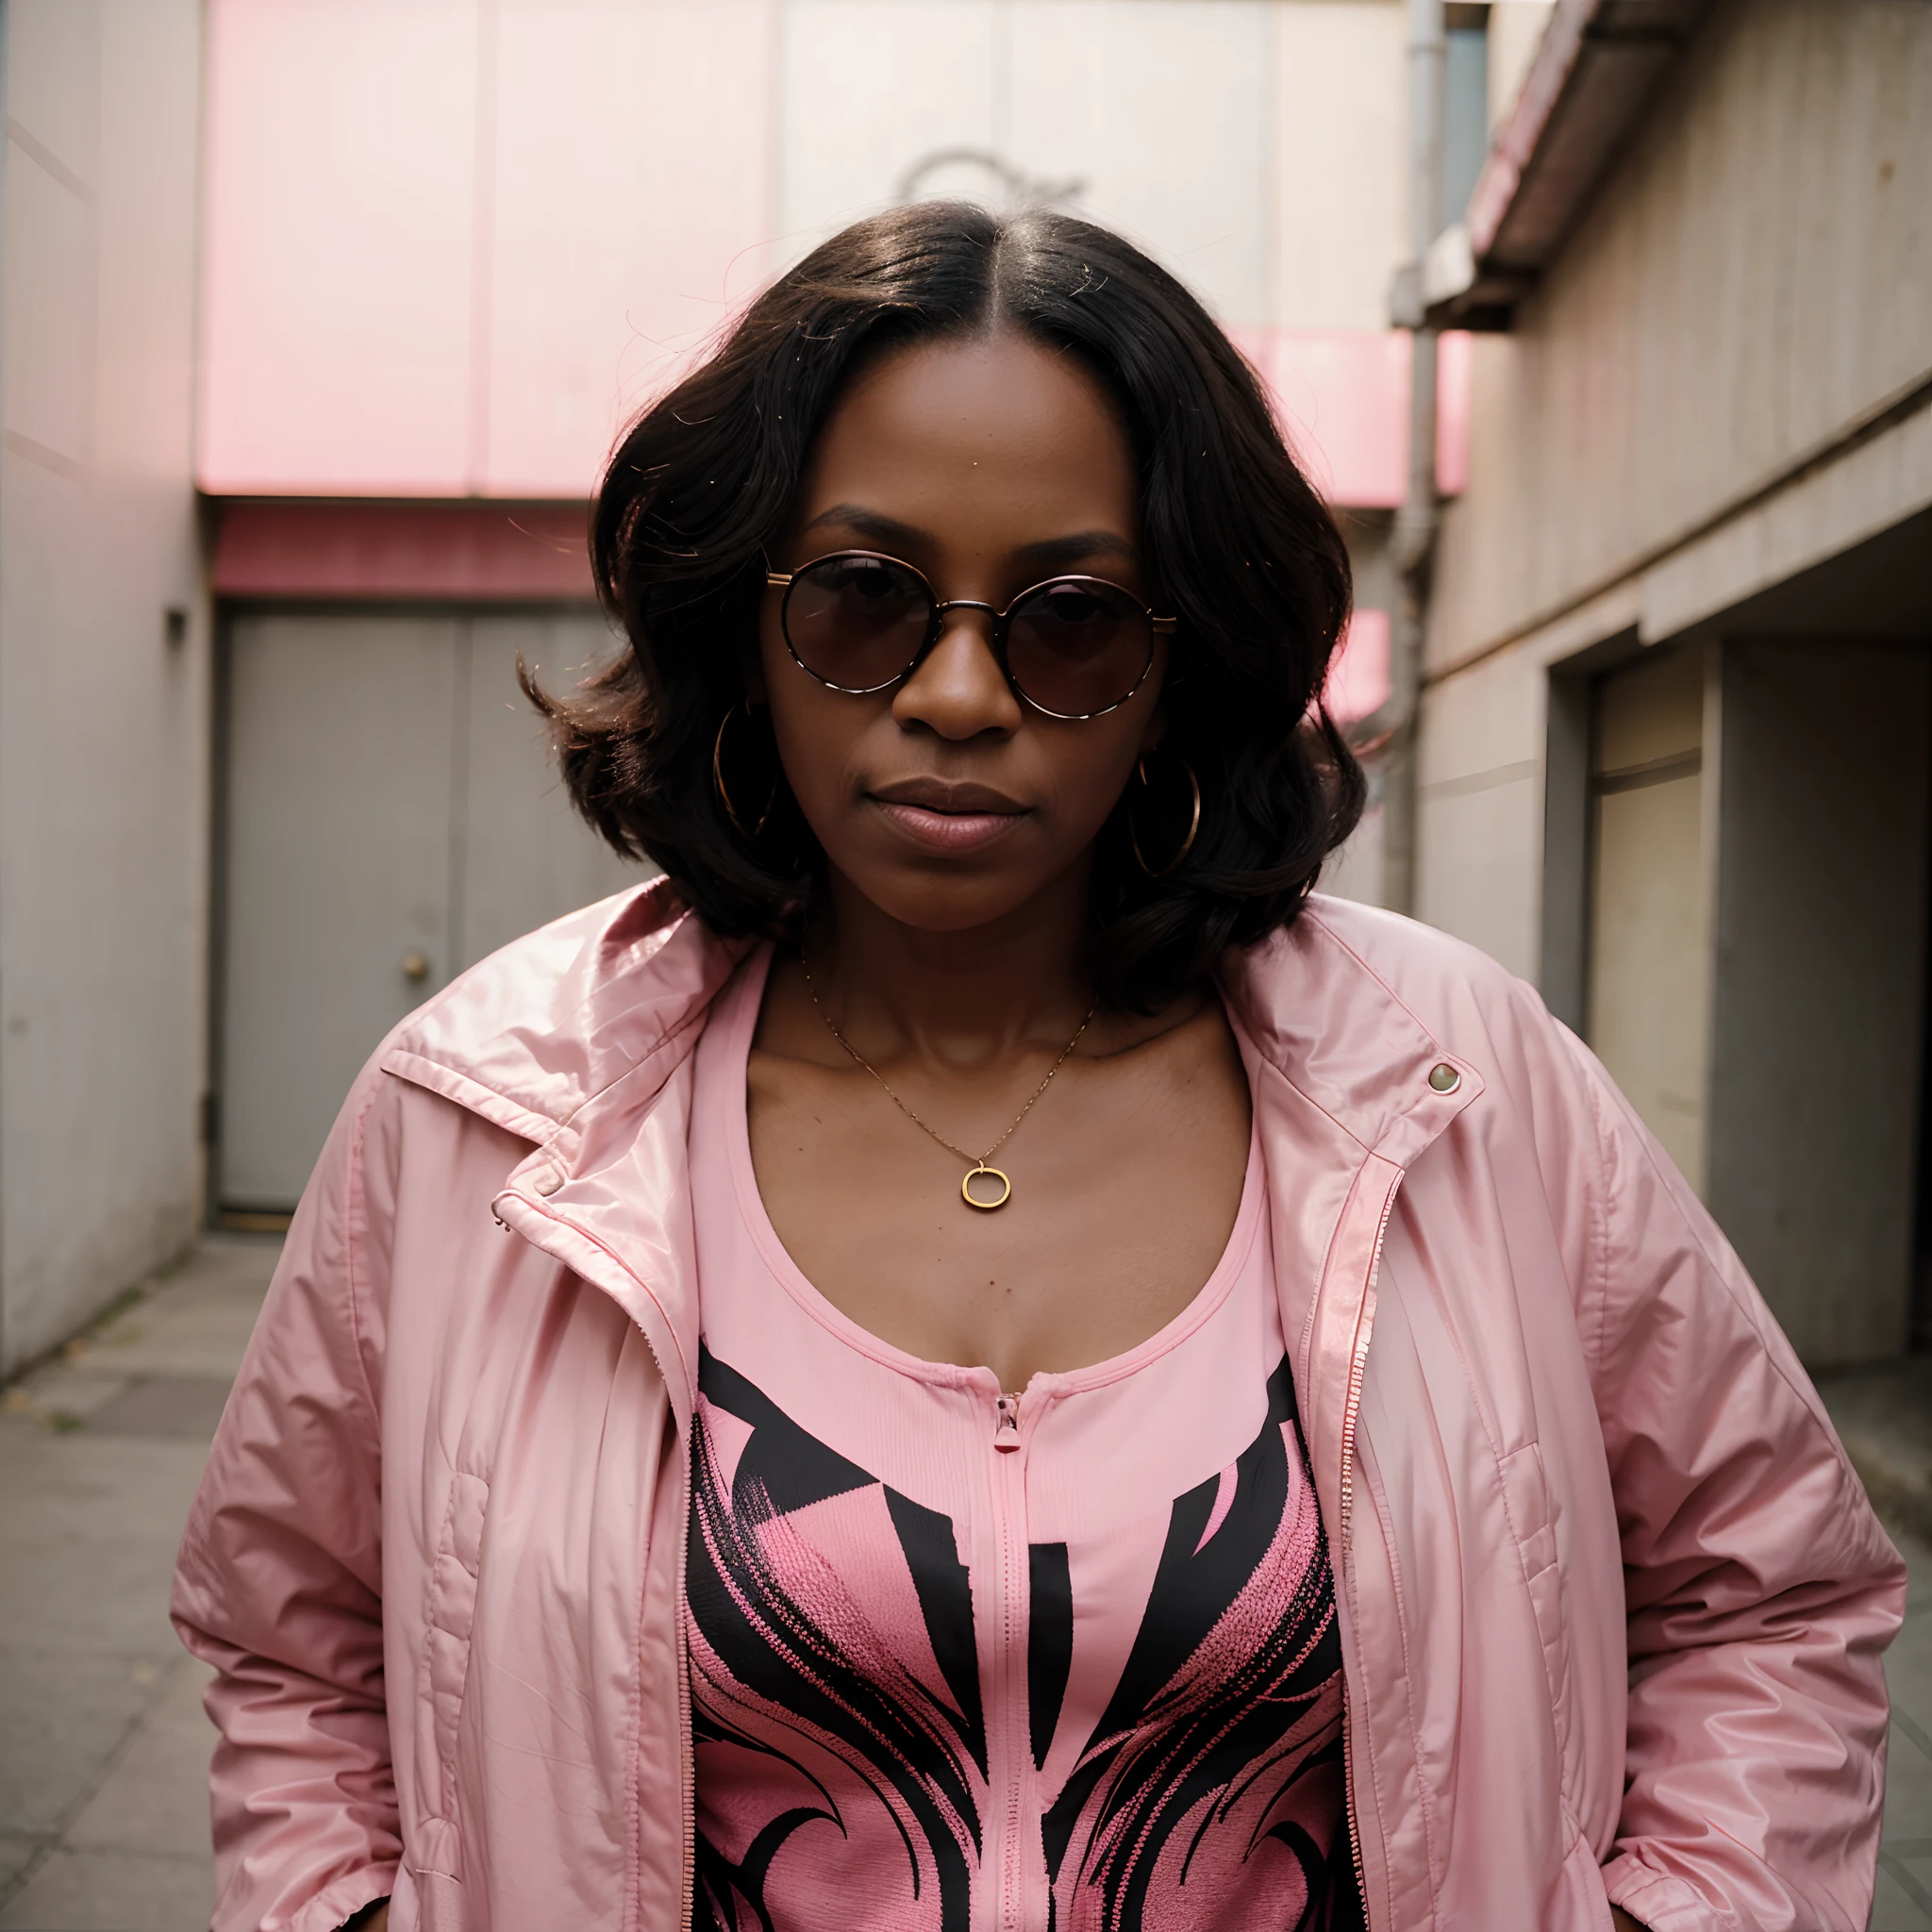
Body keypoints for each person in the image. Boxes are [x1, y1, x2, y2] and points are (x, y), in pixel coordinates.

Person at [173, 204, 1904, 1932]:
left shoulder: (1462, 1086)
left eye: (1068, 620)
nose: (956, 690)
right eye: (864, 599)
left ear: (1178, 662)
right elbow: (290, 1640)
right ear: (745, 621)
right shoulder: (478, 1110)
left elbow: (1772, 1598)